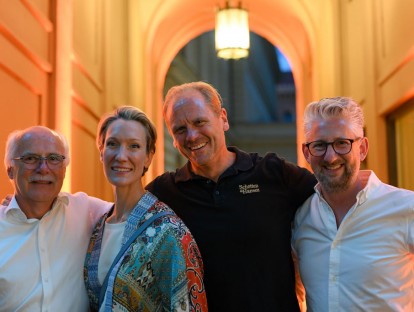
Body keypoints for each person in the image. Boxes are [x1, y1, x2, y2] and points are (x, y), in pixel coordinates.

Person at [146, 81, 317, 311]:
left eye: (199, 122)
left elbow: (333, 198)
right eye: (180, 129)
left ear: (223, 119)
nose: (192, 135)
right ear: (173, 139)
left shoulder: (273, 174)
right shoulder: (164, 193)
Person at [291, 97, 414, 311]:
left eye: (342, 143)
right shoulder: (301, 218)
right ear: (306, 153)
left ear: (363, 148)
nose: (330, 157)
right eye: (319, 145)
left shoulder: (406, 207)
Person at [83, 106, 208, 311]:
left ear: (148, 157)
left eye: (134, 146)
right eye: (112, 144)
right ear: (101, 151)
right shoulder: (97, 227)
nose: (121, 156)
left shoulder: (169, 231)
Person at [0, 126, 112, 311]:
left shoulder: (87, 211)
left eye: (53, 159)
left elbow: (135, 212)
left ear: (64, 169)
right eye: (30, 158)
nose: (43, 168)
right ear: (10, 170)